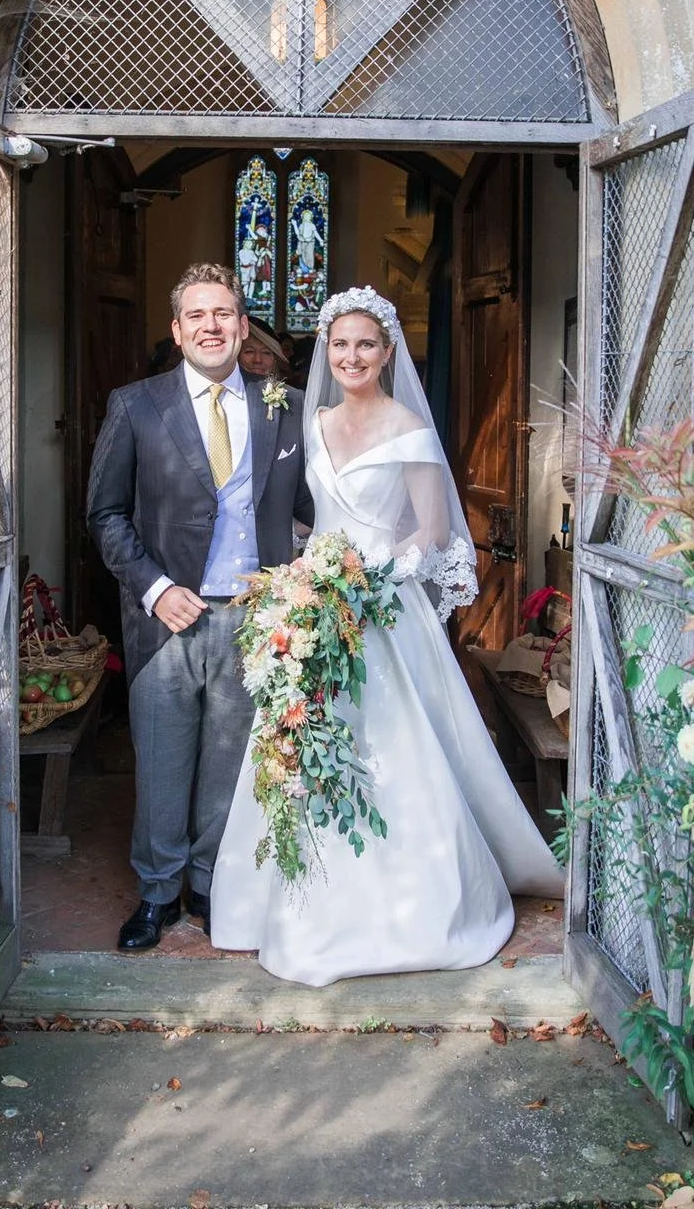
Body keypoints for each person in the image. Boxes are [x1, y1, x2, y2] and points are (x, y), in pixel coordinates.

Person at [211, 285, 565, 984]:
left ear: (386, 351)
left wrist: (369, 583)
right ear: (327, 351)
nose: (351, 356)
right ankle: (287, 900)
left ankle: (416, 911)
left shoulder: (408, 426)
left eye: (365, 344)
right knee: (302, 743)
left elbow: (431, 533)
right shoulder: (310, 423)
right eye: (340, 344)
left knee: (397, 752)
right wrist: (306, 574)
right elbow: (307, 515)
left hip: (383, 608)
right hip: (318, 605)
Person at [87, 263, 313, 951]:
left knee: (229, 767)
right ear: (177, 331)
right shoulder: (137, 406)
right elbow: (106, 514)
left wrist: (301, 572)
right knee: (161, 762)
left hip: (254, 619)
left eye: (224, 314)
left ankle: (212, 887)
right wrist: (156, 589)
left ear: (243, 328)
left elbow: (311, 509)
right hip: (167, 620)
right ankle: (157, 895)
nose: (211, 326)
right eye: (197, 316)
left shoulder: (286, 405)